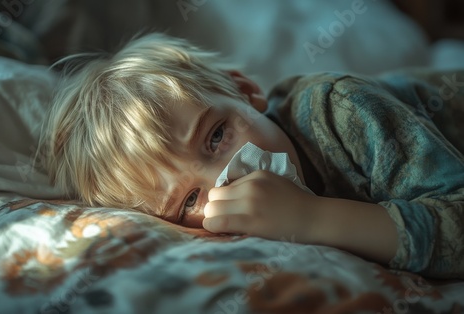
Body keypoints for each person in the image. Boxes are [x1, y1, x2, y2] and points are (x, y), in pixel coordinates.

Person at [40, 33, 464, 279]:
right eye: (189, 200)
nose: (227, 178)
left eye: (217, 135)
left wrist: (313, 219)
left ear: (244, 92)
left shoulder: (340, 109)